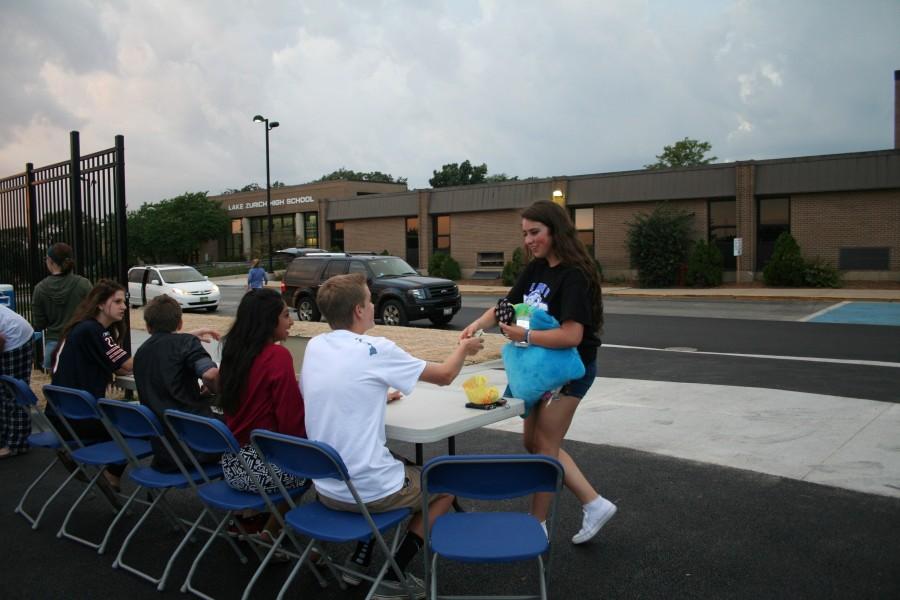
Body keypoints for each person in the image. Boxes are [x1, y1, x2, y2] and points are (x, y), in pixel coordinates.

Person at [301, 272, 484, 599]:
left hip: (327, 488)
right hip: (367, 492)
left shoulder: (316, 346)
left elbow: (336, 387)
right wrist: (464, 348)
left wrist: (372, 394)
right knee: (444, 486)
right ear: (359, 310)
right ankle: (395, 572)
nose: (373, 306)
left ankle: (360, 559)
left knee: (398, 465)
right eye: (370, 301)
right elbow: (443, 376)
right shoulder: (376, 349)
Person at [459, 200, 616, 545]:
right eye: (525, 234)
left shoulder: (575, 275)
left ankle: (537, 522)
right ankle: (594, 503)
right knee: (533, 441)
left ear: (555, 231)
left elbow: (572, 336)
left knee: (545, 445)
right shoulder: (537, 268)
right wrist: (477, 325)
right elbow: (507, 305)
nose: (528, 240)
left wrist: (525, 335)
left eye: (535, 232)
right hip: (539, 370)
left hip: (570, 371)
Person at [217, 287, 306, 538]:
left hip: (233, 465)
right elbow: (291, 422)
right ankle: (269, 534)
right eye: (286, 315)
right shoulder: (277, 356)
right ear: (269, 320)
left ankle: (248, 518)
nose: (290, 321)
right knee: (314, 467)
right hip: (261, 470)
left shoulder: (233, 352)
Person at [50, 279, 133, 489]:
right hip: (79, 420)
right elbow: (127, 364)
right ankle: (111, 475)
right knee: (141, 426)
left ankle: (101, 466)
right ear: (100, 304)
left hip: (62, 415)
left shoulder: (83, 329)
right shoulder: (93, 330)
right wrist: (167, 342)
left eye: (124, 301)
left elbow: (121, 367)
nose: (124, 306)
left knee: (129, 418)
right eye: (117, 301)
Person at [133, 295, 221, 473]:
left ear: (148, 327)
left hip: (164, 452)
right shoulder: (187, 344)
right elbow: (211, 374)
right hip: (199, 446)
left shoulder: (141, 353)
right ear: (180, 323)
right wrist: (213, 389)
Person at [32, 242, 92, 370]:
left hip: (53, 346)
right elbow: (93, 313)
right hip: (80, 343)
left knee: (58, 387)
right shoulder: (83, 284)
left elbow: (39, 323)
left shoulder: (40, 289)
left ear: (51, 261)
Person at [0, 304, 35, 458]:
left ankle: (17, 444)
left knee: (12, 392)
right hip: (10, 335)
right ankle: (5, 438)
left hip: (15, 339)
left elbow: (0, 339)